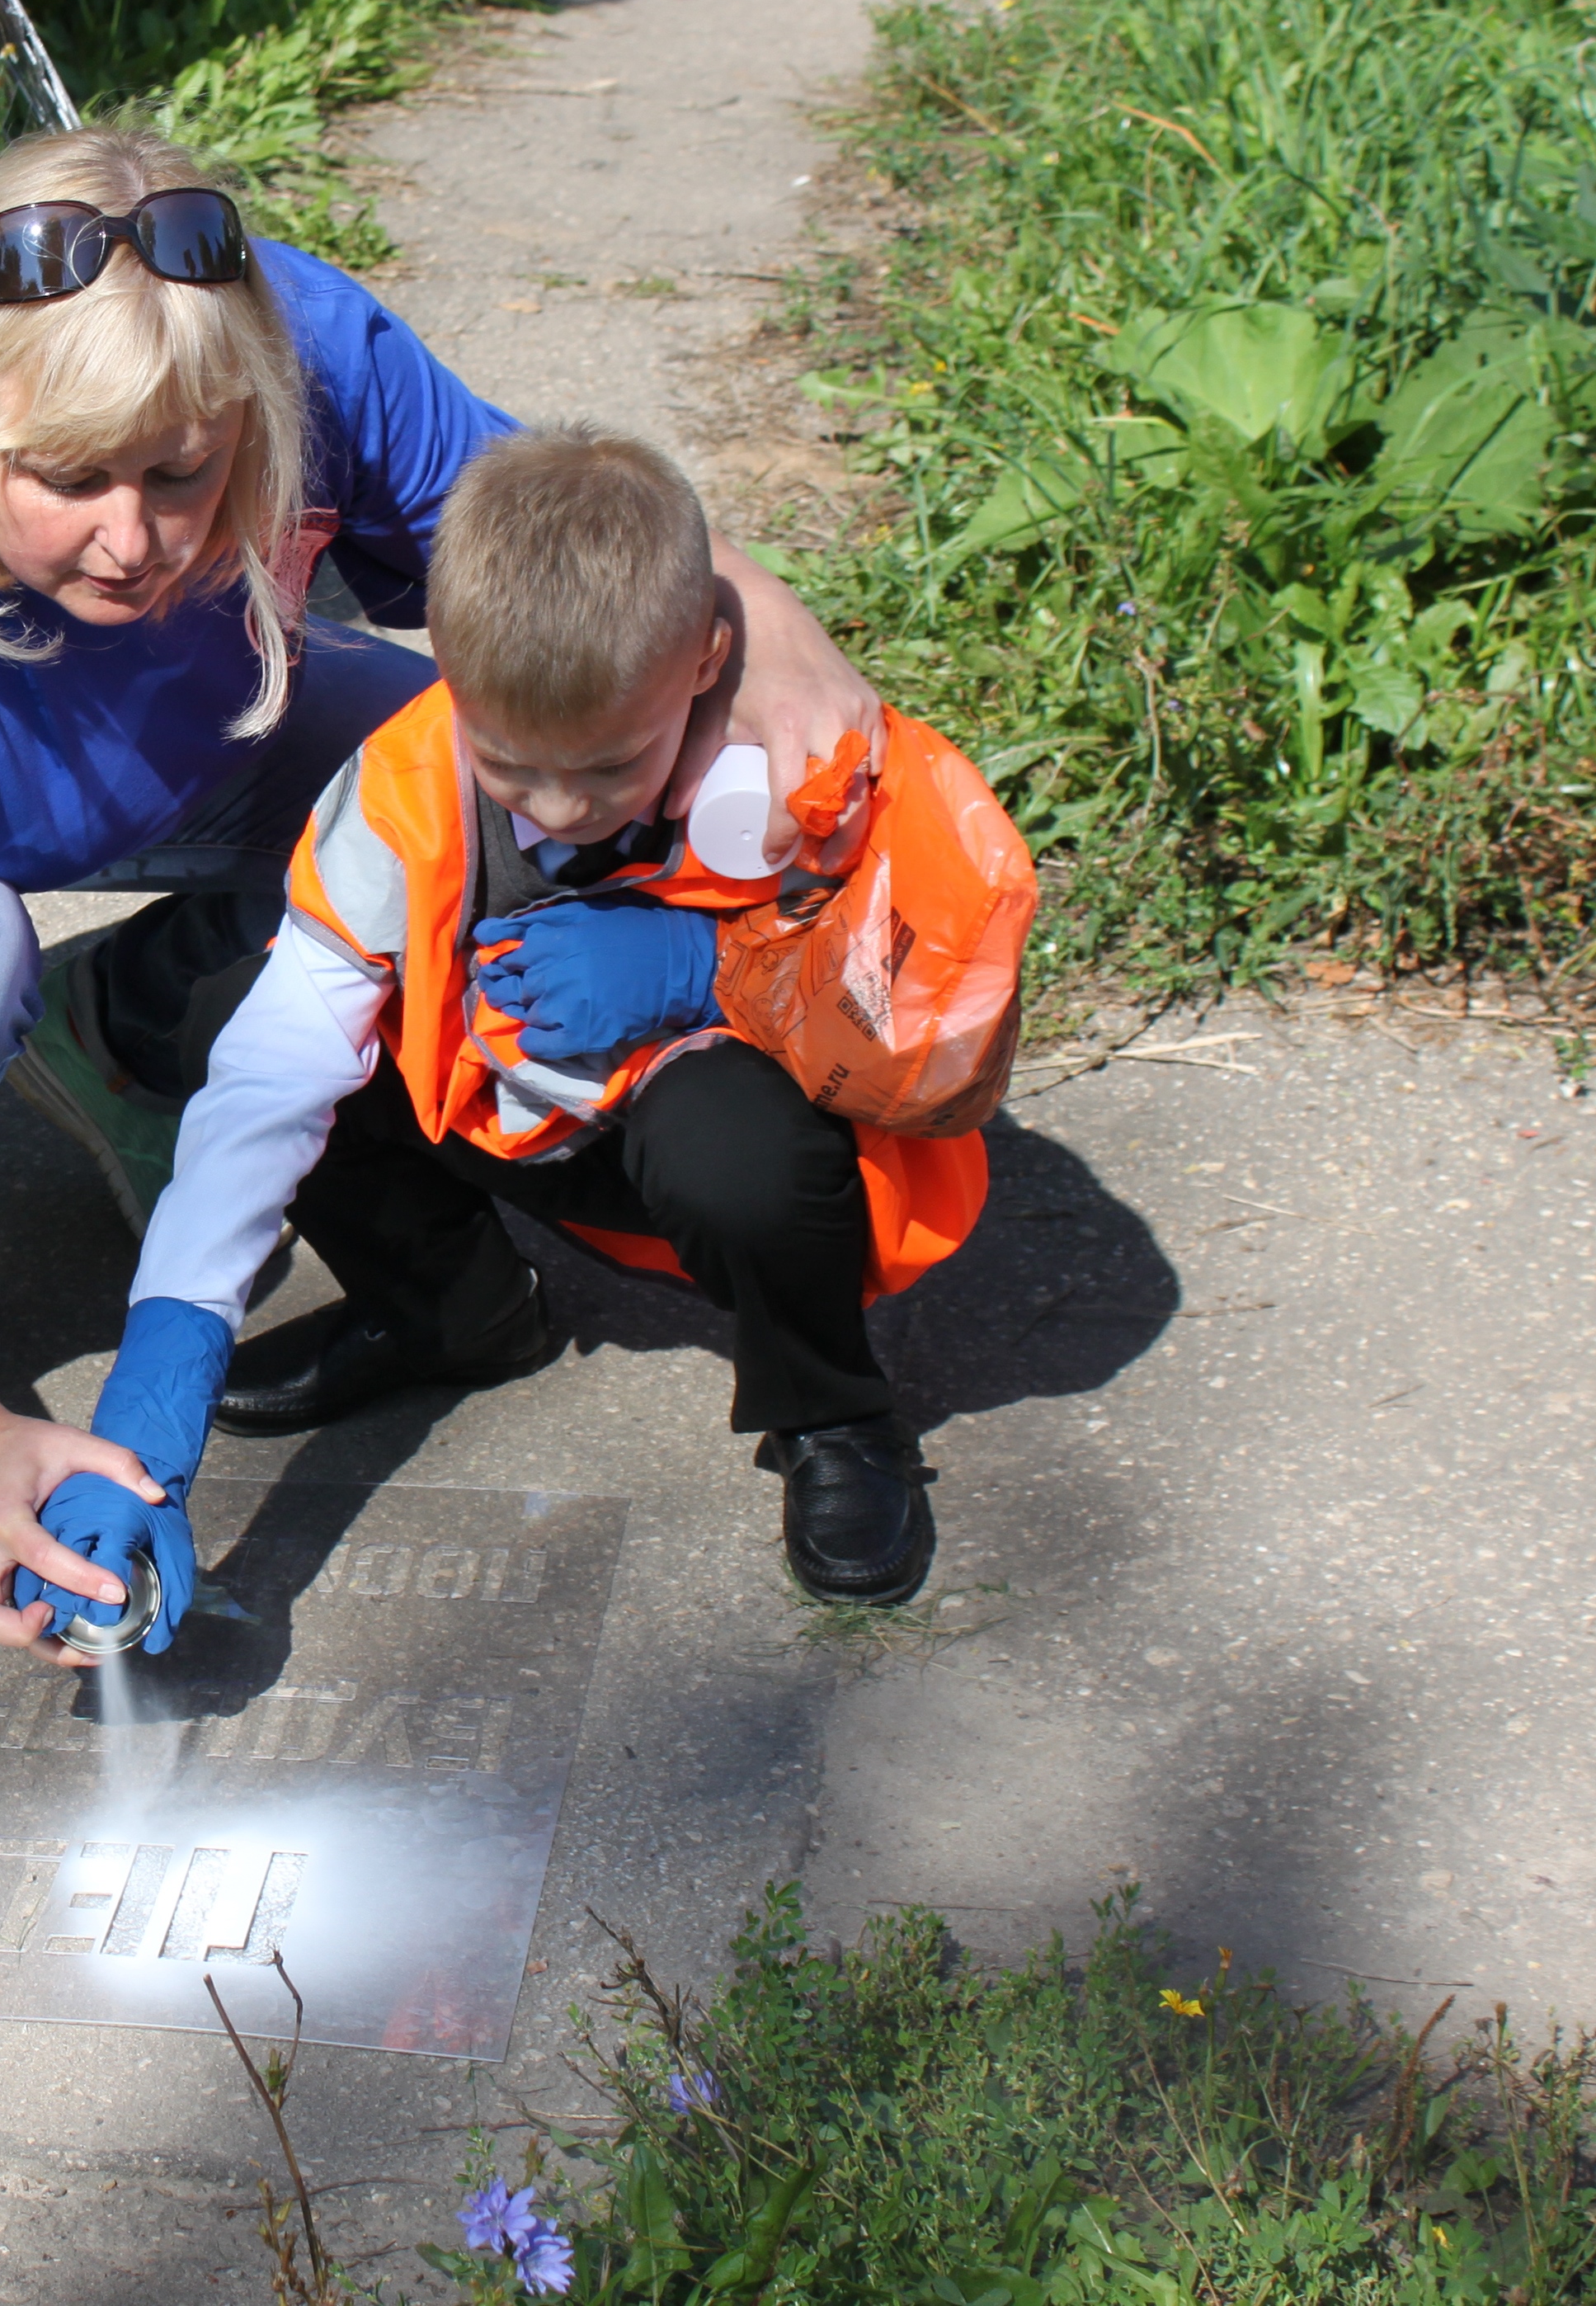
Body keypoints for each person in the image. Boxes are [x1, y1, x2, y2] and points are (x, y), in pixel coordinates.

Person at [0, 126, 886, 1661]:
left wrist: (769, 628)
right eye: (69, 479)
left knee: (461, 775)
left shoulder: (276, 343)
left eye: (183, 472)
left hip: (69, 705)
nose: (138, 537)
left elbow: (571, 577)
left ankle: (129, 1023)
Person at [91, 425, 1023, 1643]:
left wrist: (713, 968)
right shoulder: (409, 785)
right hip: (510, 1105)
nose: (563, 810)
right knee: (240, 1021)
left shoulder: (810, 771)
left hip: (714, 1133)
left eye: (610, 766)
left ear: (707, 660)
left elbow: (945, 1032)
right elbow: (277, 1071)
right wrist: (166, 1357)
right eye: (512, 766)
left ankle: (832, 1411)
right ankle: (453, 1314)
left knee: (734, 1150)